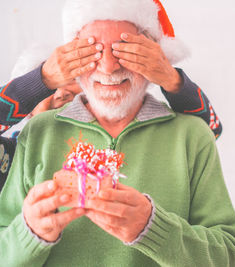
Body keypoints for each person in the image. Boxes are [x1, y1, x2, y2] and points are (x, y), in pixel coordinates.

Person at [0, 0, 235, 266]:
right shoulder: (38, 132)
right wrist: (28, 234)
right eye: (92, 51)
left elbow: (226, 257)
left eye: (125, 50)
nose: (108, 67)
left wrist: (154, 229)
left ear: (154, 57)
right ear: (72, 58)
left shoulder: (192, 136)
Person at [0, 31, 222, 192]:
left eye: (70, 78)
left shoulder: (125, 144)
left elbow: (209, 132)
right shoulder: (12, 156)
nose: (61, 93)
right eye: (46, 90)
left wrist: (171, 80)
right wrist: (42, 79)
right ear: (25, 109)